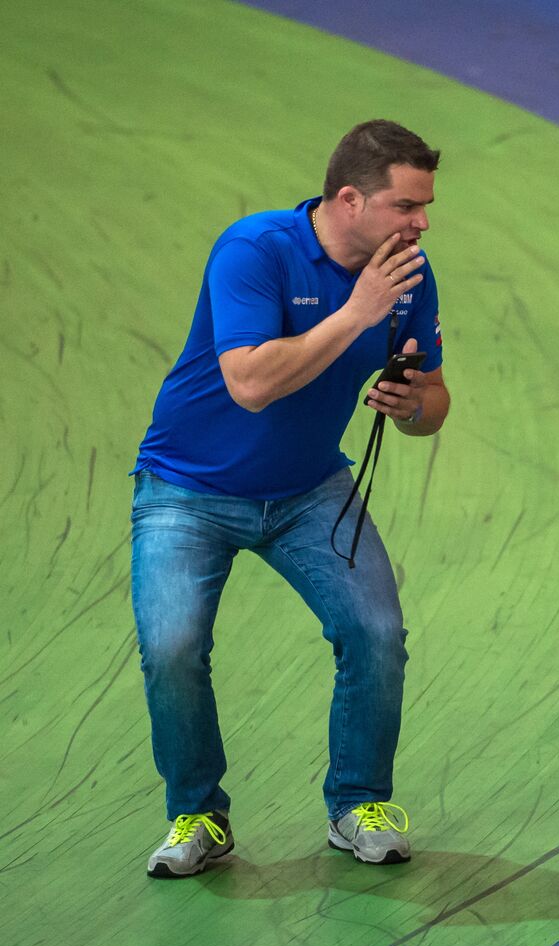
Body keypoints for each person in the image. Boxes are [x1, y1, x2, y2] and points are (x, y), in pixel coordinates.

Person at [131, 120, 451, 878]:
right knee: (173, 648)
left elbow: (434, 402)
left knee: (376, 632)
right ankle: (198, 815)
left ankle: (358, 804)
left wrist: (409, 405)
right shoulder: (255, 250)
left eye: (426, 206)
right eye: (406, 206)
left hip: (310, 491)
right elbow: (248, 382)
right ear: (350, 200)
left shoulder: (408, 273)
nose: (421, 223)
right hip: (186, 491)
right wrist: (356, 314)